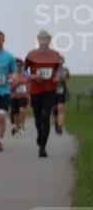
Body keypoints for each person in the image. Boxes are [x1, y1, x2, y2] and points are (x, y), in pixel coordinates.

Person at [24, 30, 63, 158]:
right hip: (35, 89)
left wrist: (57, 76)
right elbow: (24, 70)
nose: (44, 41)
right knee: (37, 117)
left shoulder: (55, 54)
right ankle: (40, 136)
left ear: (50, 40)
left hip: (50, 89)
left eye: (46, 39)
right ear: (38, 40)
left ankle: (43, 147)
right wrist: (32, 76)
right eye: (42, 39)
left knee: (45, 115)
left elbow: (58, 68)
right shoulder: (31, 54)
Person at [10, 58, 30, 136]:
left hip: (23, 96)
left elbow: (29, 85)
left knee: (22, 110)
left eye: (20, 65)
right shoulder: (11, 75)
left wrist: (29, 94)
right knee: (15, 114)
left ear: (22, 66)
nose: (18, 67)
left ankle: (22, 125)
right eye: (16, 66)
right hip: (14, 96)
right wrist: (16, 84)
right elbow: (9, 88)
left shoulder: (26, 74)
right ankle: (17, 127)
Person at [55, 56, 71, 134]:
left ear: (63, 61)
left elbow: (68, 80)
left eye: (61, 60)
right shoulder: (52, 69)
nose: (60, 62)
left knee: (60, 108)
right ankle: (56, 122)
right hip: (52, 91)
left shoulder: (65, 70)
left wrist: (68, 89)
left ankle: (60, 126)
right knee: (55, 109)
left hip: (62, 90)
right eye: (58, 60)